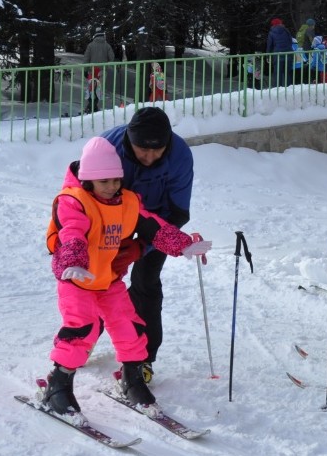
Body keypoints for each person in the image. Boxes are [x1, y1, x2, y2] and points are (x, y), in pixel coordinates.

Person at [38, 137, 211, 418]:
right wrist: (73, 262)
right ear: (89, 180)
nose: (112, 187)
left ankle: (131, 378)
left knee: (129, 326)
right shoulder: (74, 201)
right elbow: (72, 233)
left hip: (108, 279)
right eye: (104, 181)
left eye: (116, 180)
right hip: (76, 279)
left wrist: (184, 244)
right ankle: (58, 385)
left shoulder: (126, 202)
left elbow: (154, 227)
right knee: (81, 328)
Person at [102, 107, 194, 381]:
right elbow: (84, 196)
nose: (150, 157)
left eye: (158, 150)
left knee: (147, 284)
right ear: (130, 138)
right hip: (110, 220)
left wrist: (143, 246)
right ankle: (81, 341)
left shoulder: (179, 155)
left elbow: (179, 212)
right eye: (143, 149)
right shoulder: (108, 147)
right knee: (98, 282)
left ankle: (143, 358)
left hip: (156, 225)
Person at [81, 31, 114, 112]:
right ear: (103, 36)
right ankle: (93, 107)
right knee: (98, 89)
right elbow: (112, 58)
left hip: (91, 70)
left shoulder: (90, 45)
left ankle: (91, 106)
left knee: (91, 89)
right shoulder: (107, 46)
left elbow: (86, 58)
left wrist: (85, 70)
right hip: (102, 71)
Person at [265, 18, 294, 86]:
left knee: (278, 73)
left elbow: (269, 45)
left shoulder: (271, 33)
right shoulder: (286, 30)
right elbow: (290, 41)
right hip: (288, 54)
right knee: (287, 73)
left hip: (278, 55)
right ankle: (288, 87)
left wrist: (267, 55)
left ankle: (278, 89)